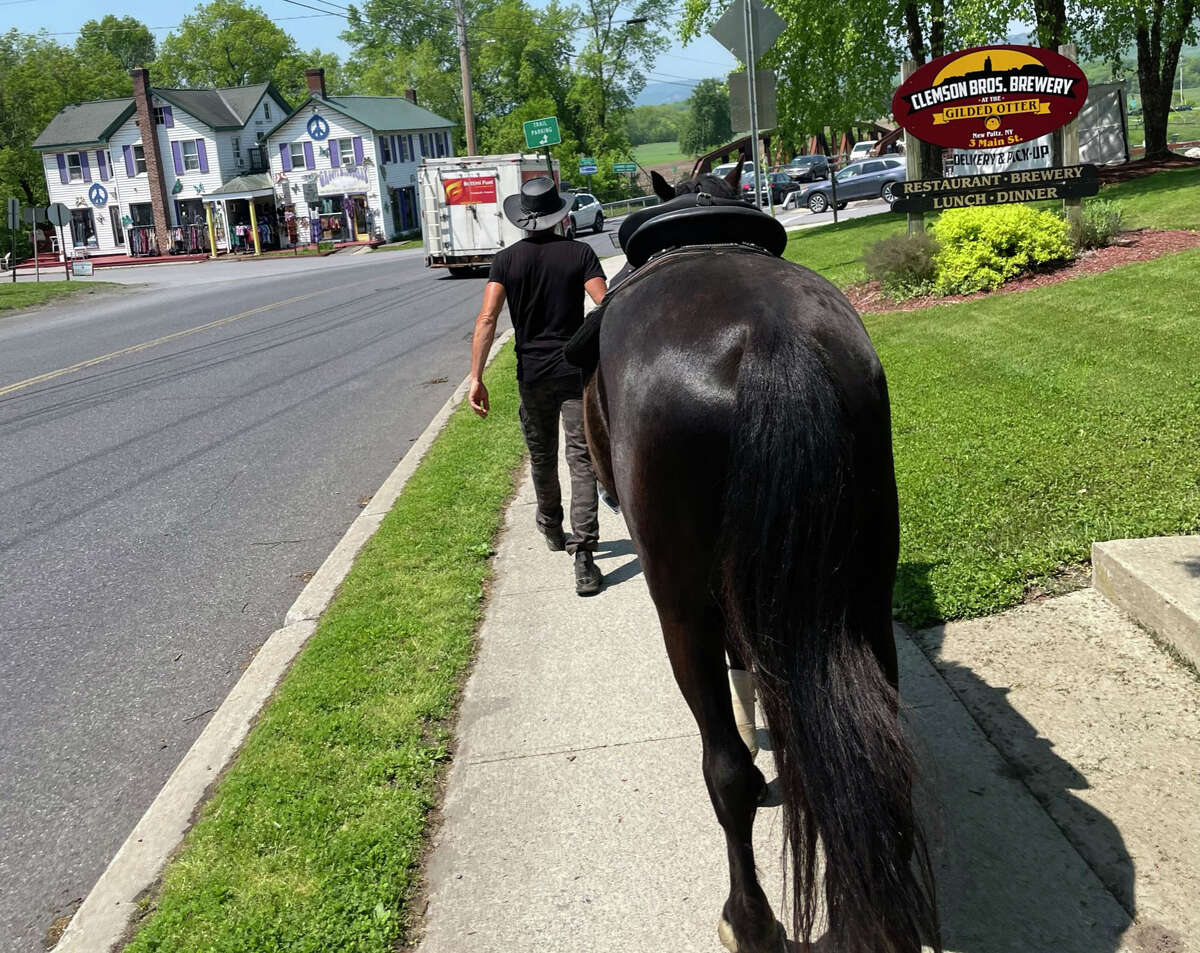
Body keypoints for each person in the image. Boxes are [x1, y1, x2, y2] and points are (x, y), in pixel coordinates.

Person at [468, 176, 608, 596]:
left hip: (531, 375)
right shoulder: (580, 253)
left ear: (522, 220)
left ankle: (551, 526)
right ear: (559, 215)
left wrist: (476, 377)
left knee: (542, 456)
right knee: (581, 460)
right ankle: (584, 555)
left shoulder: (505, 262)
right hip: (572, 371)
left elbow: (488, 319)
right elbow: (607, 304)